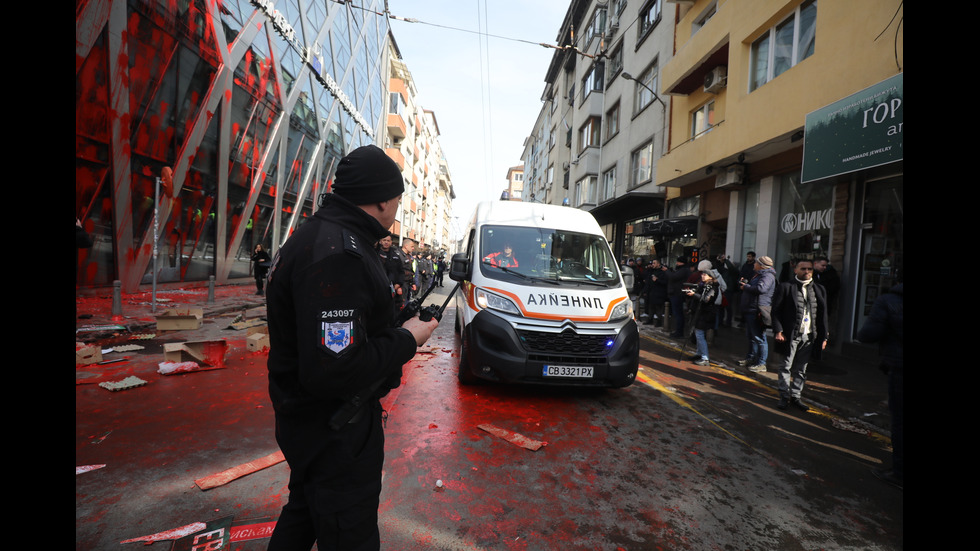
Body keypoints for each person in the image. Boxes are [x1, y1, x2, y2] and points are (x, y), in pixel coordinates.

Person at [265, 144, 440, 550]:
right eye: (397, 198)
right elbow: (334, 371)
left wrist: (393, 323)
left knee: (306, 511)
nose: (398, 207)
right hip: (333, 431)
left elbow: (341, 333)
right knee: (349, 532)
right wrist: (407, 339)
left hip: (311, 422)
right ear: (381, 198)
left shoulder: (325, 235)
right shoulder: (338, 254)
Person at [857, 275, 903, 489]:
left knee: (900, 421)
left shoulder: (889, 301)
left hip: (899, 367)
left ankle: (899, 472)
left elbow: (868, 334)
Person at [770, 258, 828, 412]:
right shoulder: (786, 287)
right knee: (785, 366)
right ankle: (784, 396)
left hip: (809, 336)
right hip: (790, 335)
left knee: (801, 369)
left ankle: (796, 396)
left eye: (809, 269)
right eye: (803, 269)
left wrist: (824, 336)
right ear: (795, 270)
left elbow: (823, 315)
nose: (807, 272)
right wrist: (778, 330)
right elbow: (775, 311)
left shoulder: (819, 289)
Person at [737, 255, 777, 373]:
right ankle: (751, 358)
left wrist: (746, 286)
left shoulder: (768, 276)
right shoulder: (760, 275)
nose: (754, 264)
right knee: (751, 337)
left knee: (759, 338)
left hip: (757, 310)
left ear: (761, 265)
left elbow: (761, 289)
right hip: (750, 309)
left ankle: (761, 363)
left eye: (756, 263)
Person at [684, 265, 721, 366]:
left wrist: (694, 295)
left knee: (700, 335)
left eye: (705, 275)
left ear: (710, 277)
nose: (702, 276)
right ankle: (699, 353)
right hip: (699, 312)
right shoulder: (702, 285)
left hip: (706, 314)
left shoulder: (713, 287)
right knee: (697, 333)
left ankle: (705, 357)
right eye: (702, 274)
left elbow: (706, 299)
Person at [376, 235, 405, 309]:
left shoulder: (395, 255)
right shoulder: (375, 253)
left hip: (394, 289)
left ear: (391, 242)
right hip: (380, 289)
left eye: (388, 241)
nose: (386, 242)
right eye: (384, 240)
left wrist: (399, 284)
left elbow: (401, 271)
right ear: (380, 241)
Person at [666, 256, 691, 338]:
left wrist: (667, 271)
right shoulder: (682, 270)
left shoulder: (684, 270)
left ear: (682, 262)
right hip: (676, 293)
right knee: (677, 313)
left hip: (677, 294)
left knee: (678, 314)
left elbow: (673, 277)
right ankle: (678, 331)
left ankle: (679, 332)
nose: (676, 263)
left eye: (678, 262)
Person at [713, 254, 738, 327]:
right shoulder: (725, 272)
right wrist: (719, 261)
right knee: (721, 307)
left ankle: (728, 322)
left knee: (728, 307)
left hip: (729, 290)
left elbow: (731, 267)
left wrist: (725, 260)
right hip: (724, 290)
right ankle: (720, 322)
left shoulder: (735, 272)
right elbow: (719, 268)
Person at [643, 259, 668, 326]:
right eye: (652, 263)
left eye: (654, 263)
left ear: (658, 264)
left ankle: (659, 321)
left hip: (659, 292)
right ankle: (650, 319)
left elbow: (665, 282)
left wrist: (657, 280)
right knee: (651, 307)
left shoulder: (662, 272)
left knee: (658, 308)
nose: (652, 264)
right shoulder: (651, 271)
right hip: (652, 292)